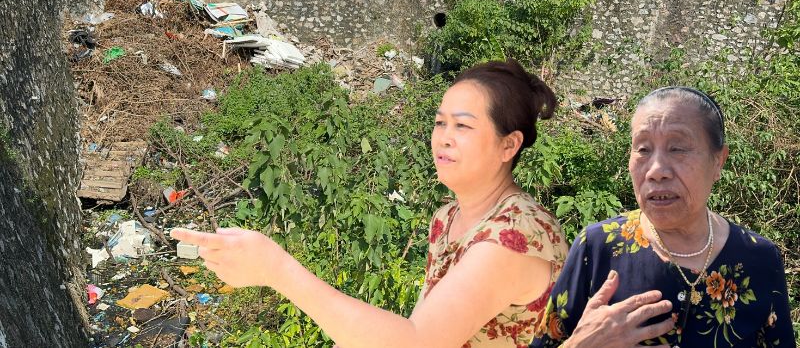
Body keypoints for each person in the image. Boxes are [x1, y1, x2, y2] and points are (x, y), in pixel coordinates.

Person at [171, 60, 676, 347]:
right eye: (440, 122)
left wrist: (278, 269)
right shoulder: (449, 217)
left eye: (463, 126)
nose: (444, 137)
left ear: (509, 145)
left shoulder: (514, 235)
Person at [531, 86, 794, 347]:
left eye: (677, 148)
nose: (656, 170)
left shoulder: (759, 258)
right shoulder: (597, 247)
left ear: (718, 161)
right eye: (643, 149)